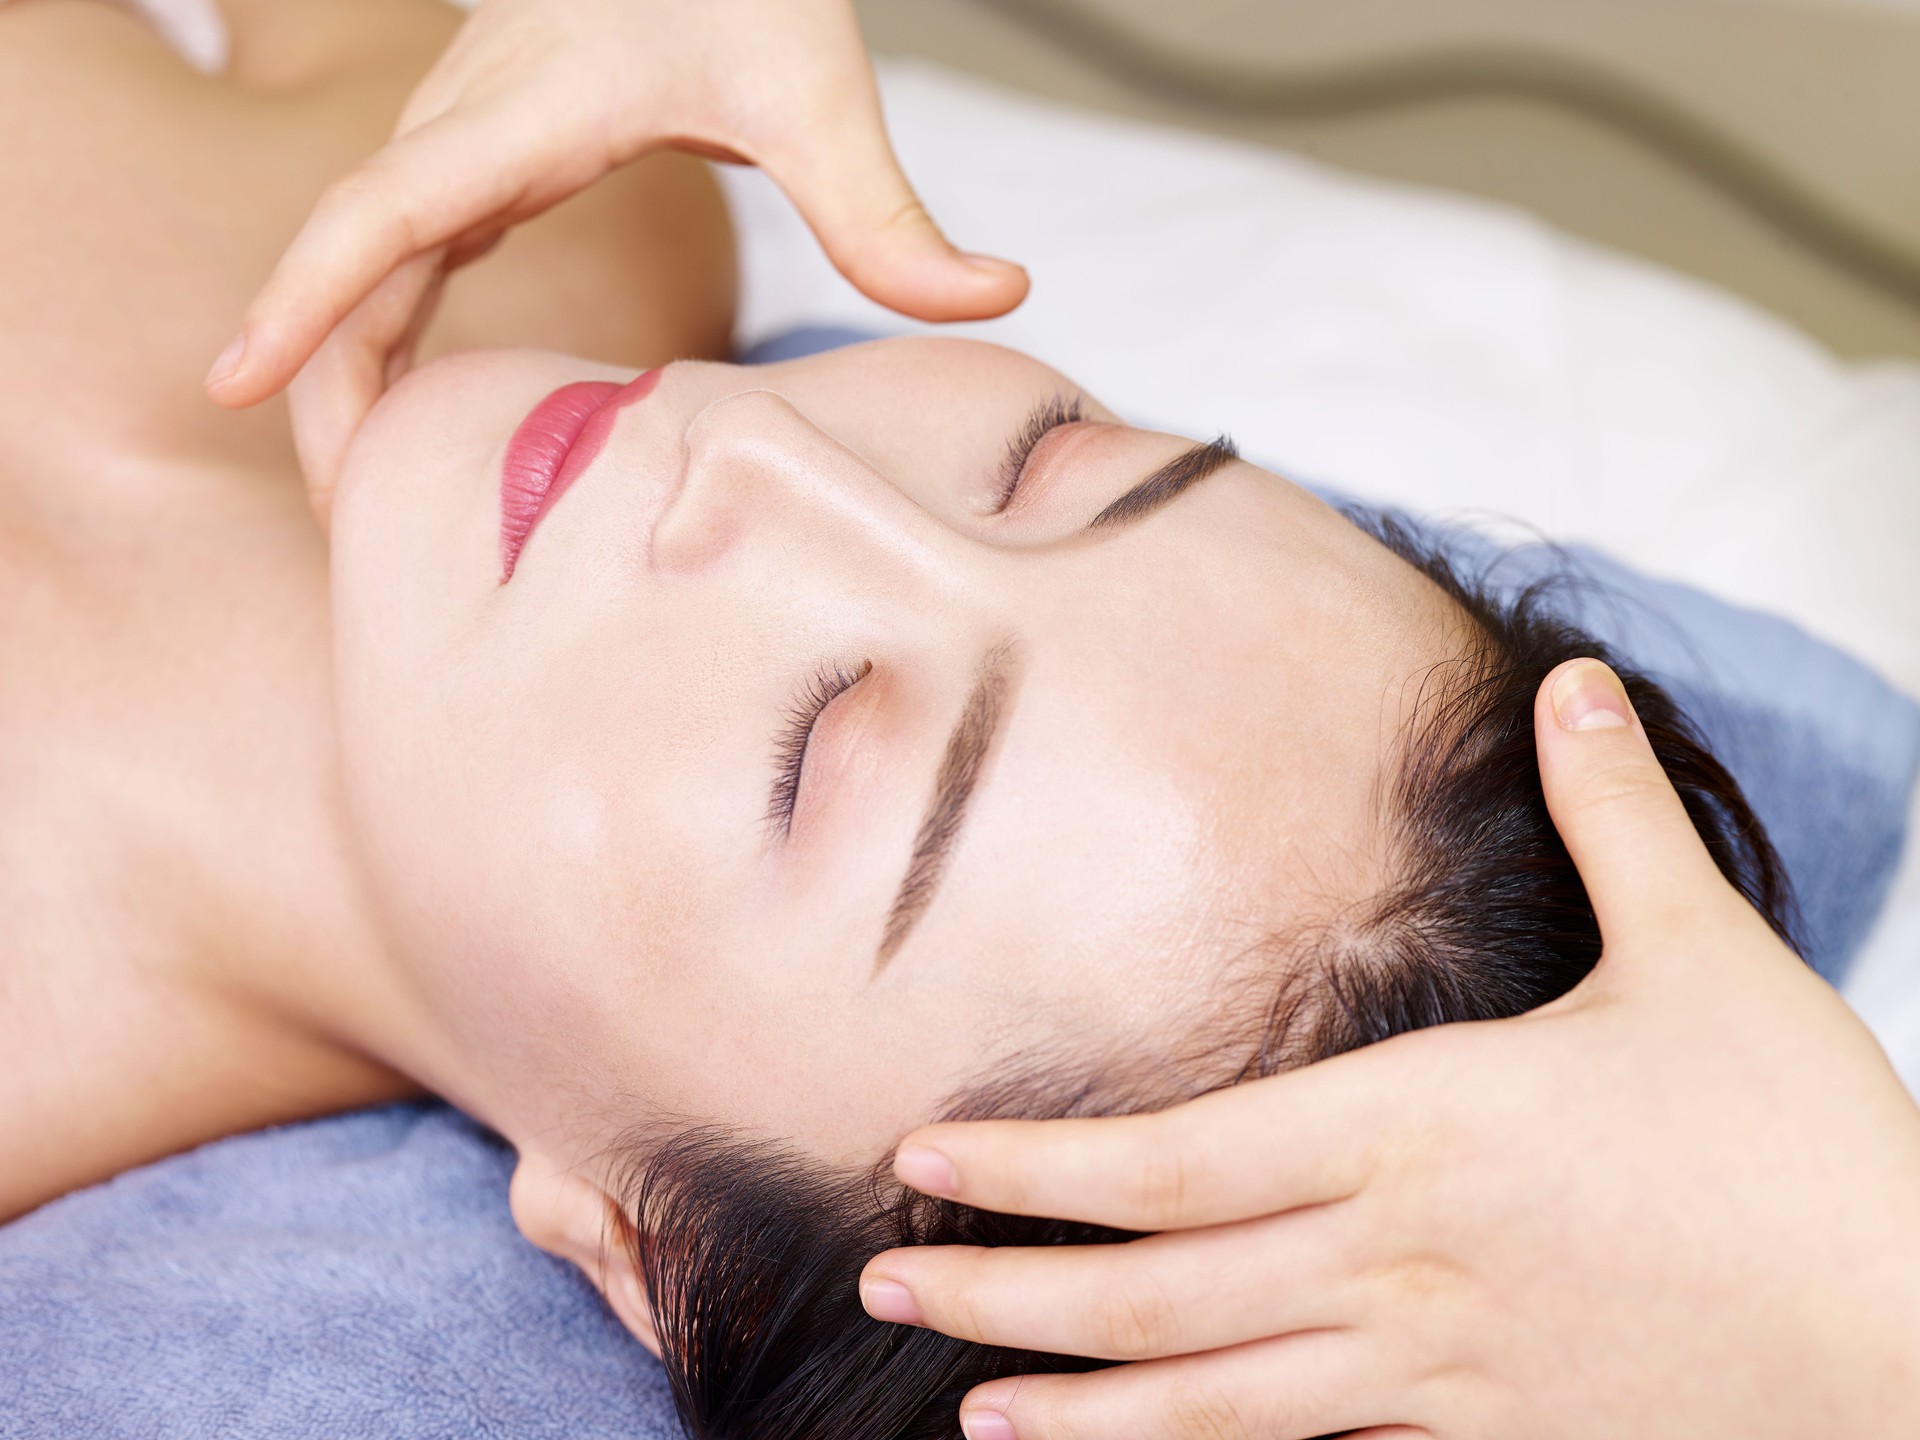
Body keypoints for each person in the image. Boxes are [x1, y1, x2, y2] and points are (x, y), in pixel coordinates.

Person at [2, 4, 1912, 1440]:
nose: (758, 447)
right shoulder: (572, 211)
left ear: (638, 1248)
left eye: (818, 745)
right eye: (1044, 460)